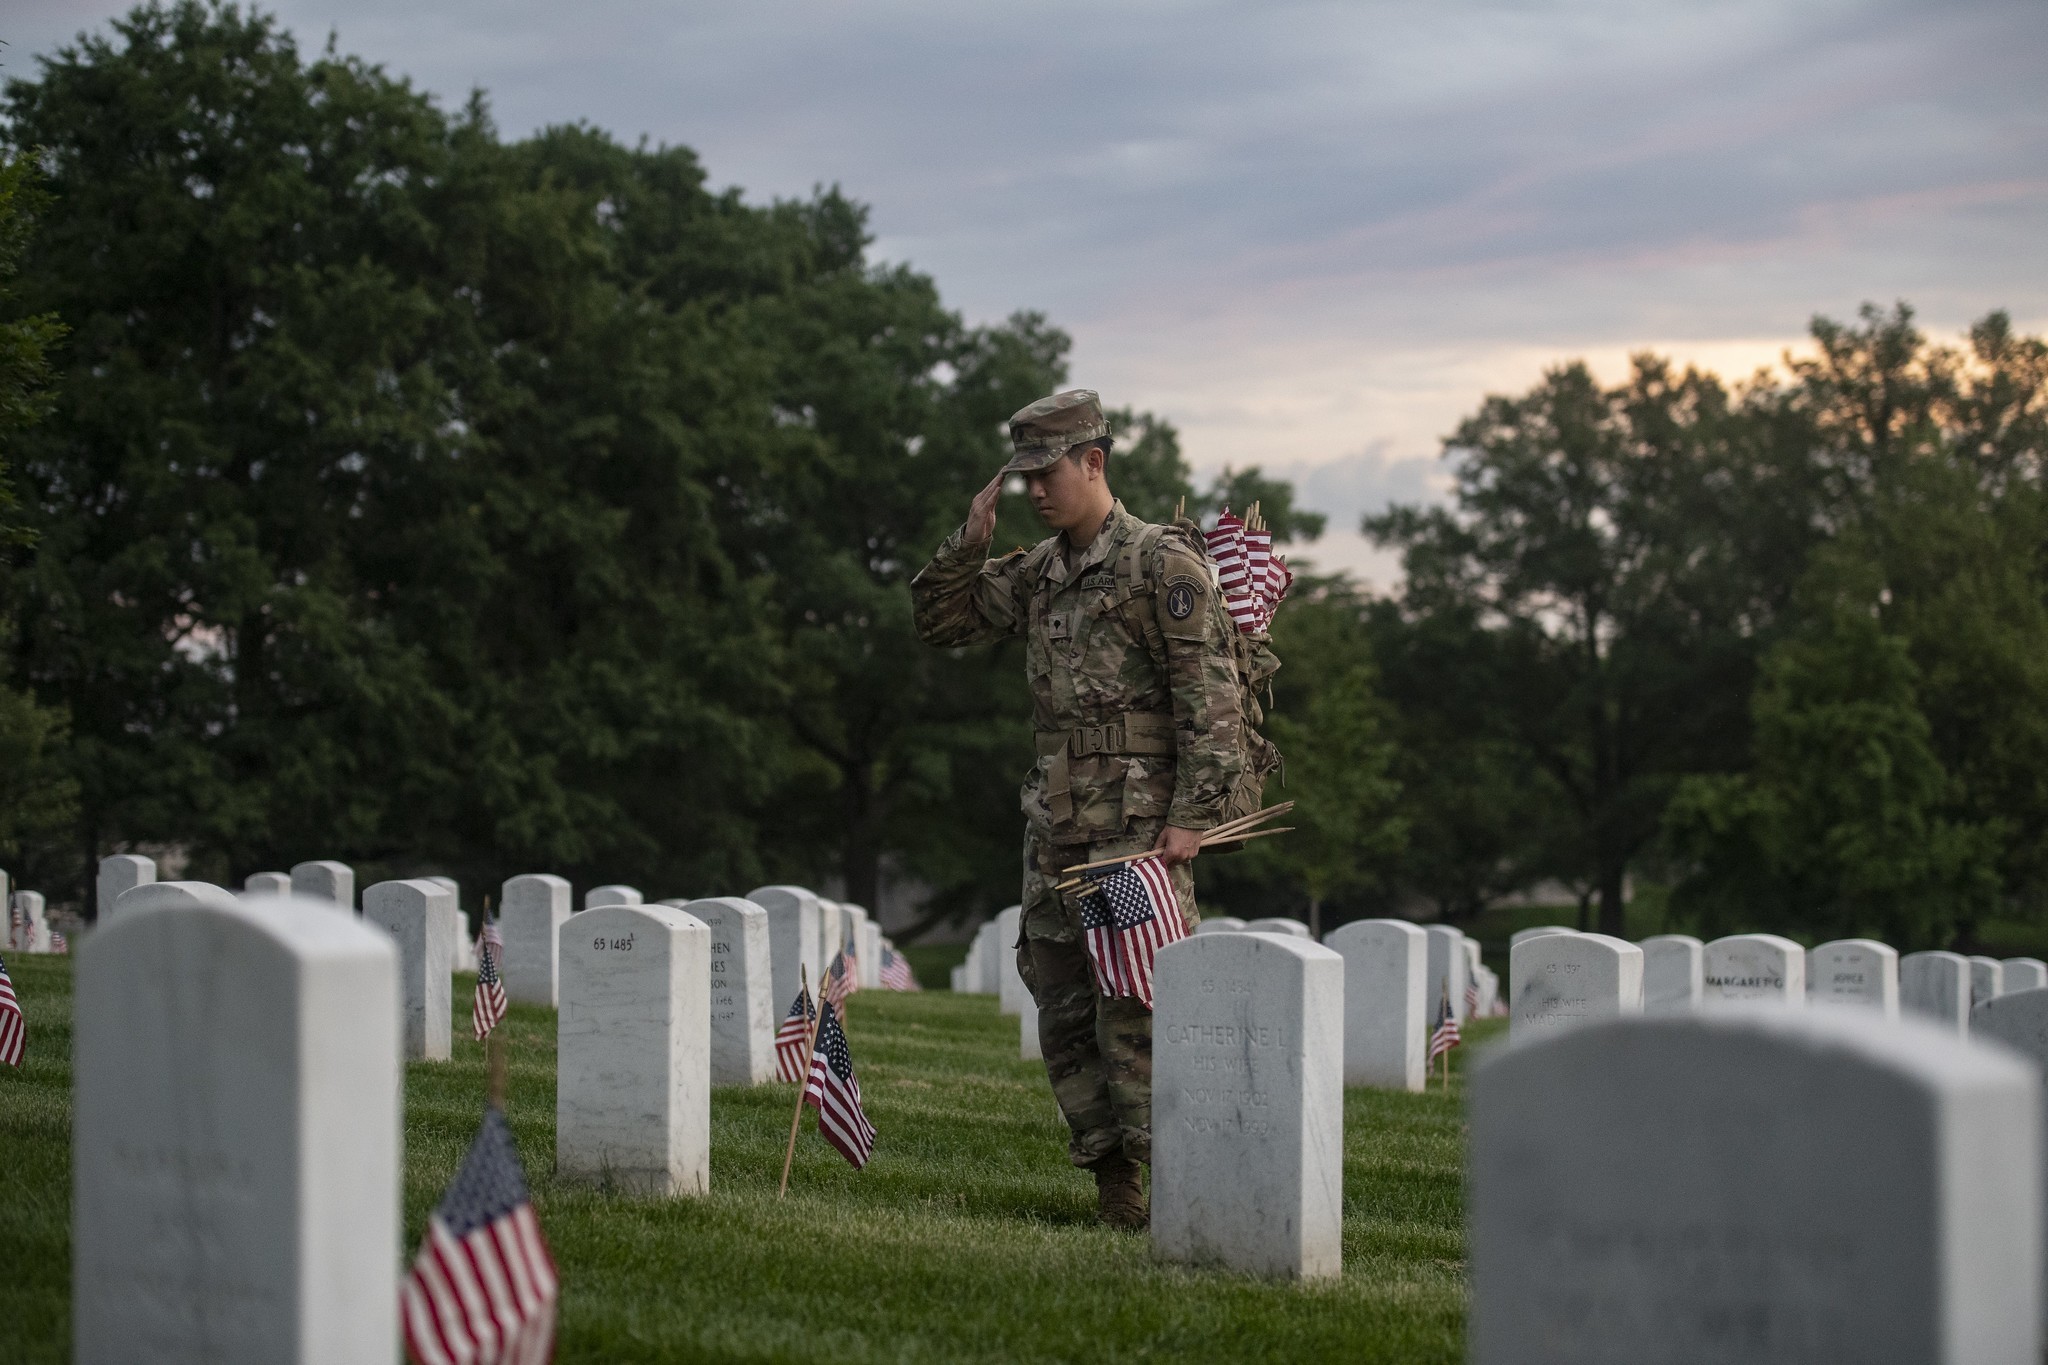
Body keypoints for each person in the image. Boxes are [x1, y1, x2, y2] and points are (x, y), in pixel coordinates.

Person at [910, 389, 1268, 1228]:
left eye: (1047, 472)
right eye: (1023, 475)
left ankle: (1177, 1175)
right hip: (1057, 829)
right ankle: (1114, 1182)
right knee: (1064, 1006)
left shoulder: (1160, 566)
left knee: (1139, 1011)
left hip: (1140, 831)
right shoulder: (1041, 572)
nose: (1034, 490)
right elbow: (940, 619)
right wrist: (968, 545)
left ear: (1093, 462)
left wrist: (1192, 818)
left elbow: (1208, 703)